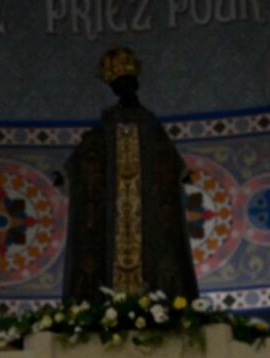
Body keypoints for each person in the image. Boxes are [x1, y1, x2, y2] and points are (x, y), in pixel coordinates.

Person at [61, 46, 199, 303]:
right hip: (110, 213)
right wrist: (67, 173)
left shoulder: (149, 123)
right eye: (120, 86)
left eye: (128, 85)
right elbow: (86, 153)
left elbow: (166, 154)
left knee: (159, 246)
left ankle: (162, 299)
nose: (126, 91)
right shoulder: (106, 125)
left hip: (147, 210)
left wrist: (181, 174)